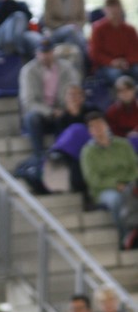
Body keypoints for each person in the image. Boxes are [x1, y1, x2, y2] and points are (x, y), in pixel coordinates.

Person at [19, 37, 79, 175]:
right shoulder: (28, 71)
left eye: (49, 52)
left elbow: (74, 91)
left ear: (54, 52)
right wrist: (50, 112)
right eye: (43, 52)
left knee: (69, 116)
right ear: (37, 53)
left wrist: (63, 109)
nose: (46, 55)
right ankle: (38, 155)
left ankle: (65, 154)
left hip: (62, 110)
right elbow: (28, 102)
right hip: (41, 113)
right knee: (32, 117)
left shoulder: (66, 68)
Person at [79, 112, 138, 249]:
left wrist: (127, 183)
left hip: (129, 184)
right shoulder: (88, 152)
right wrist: (116, 184)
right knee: (117, 200)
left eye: (100, 124)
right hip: (104, 190)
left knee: (130, 193)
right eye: (93, 126)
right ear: (90, 131)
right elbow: (92, 179)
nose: (98, 128)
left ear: (106, 125)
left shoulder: (123, 144)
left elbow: (134, 167)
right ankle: (125, 237)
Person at [89, 0, 138, 86]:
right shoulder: (98, 29)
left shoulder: (130, 30)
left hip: (128, 64)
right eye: (110, 8)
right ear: (105, 10)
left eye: (116, 7)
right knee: (116, 75)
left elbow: (135, 51)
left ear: (121, 9)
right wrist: (112, 62)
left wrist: (127, 62)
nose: (114, 11)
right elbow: (95, 54)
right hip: (105, 66)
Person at [105, 76, 138, 145]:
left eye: (128, 89)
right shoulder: (112, 111)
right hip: (121, 144)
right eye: (121, 91)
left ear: (134, 90)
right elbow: (112, 133)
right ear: (117, 94)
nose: (125, 93)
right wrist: (127, 136)